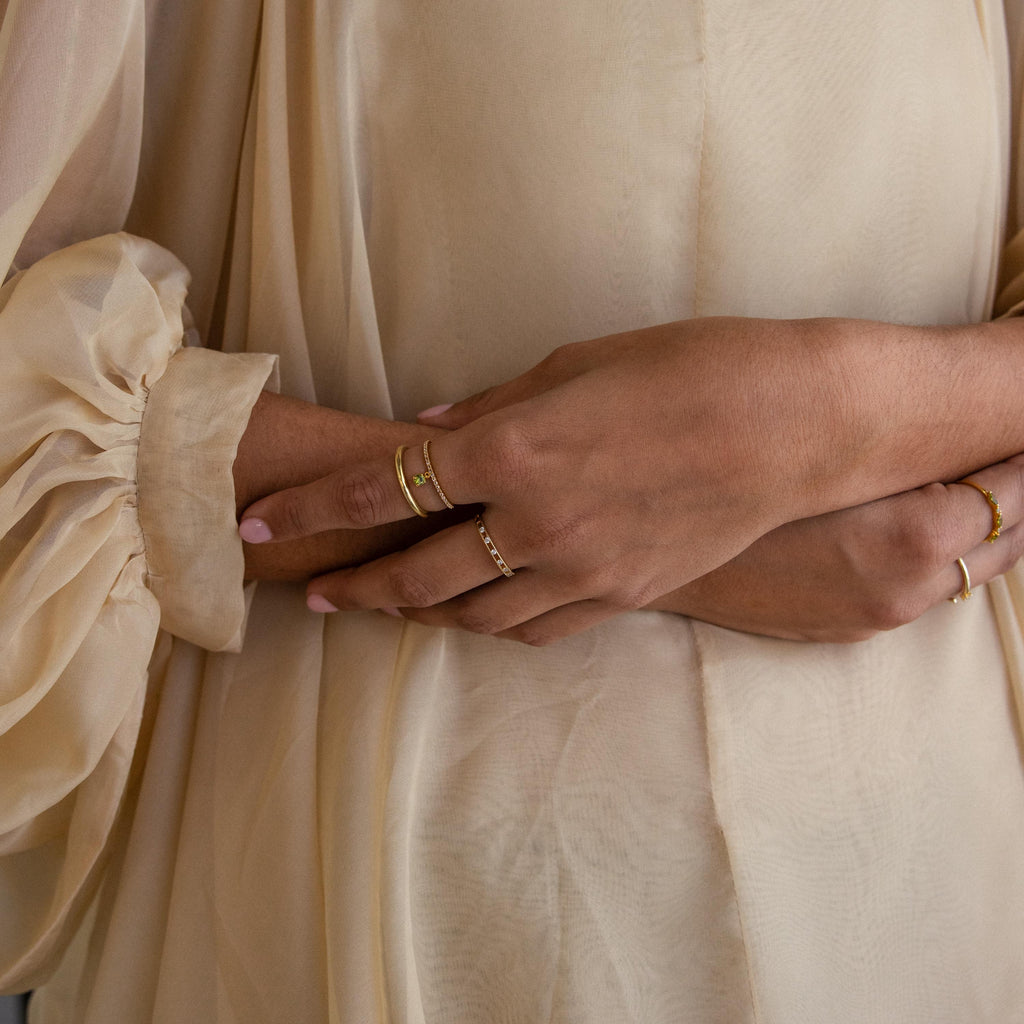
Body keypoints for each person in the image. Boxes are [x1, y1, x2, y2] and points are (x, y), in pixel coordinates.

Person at [2, 0, 1024, 1020]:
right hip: (383, 881)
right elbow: (25, 394)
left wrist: (838, 401)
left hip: (928, 873)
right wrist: (724, 541)